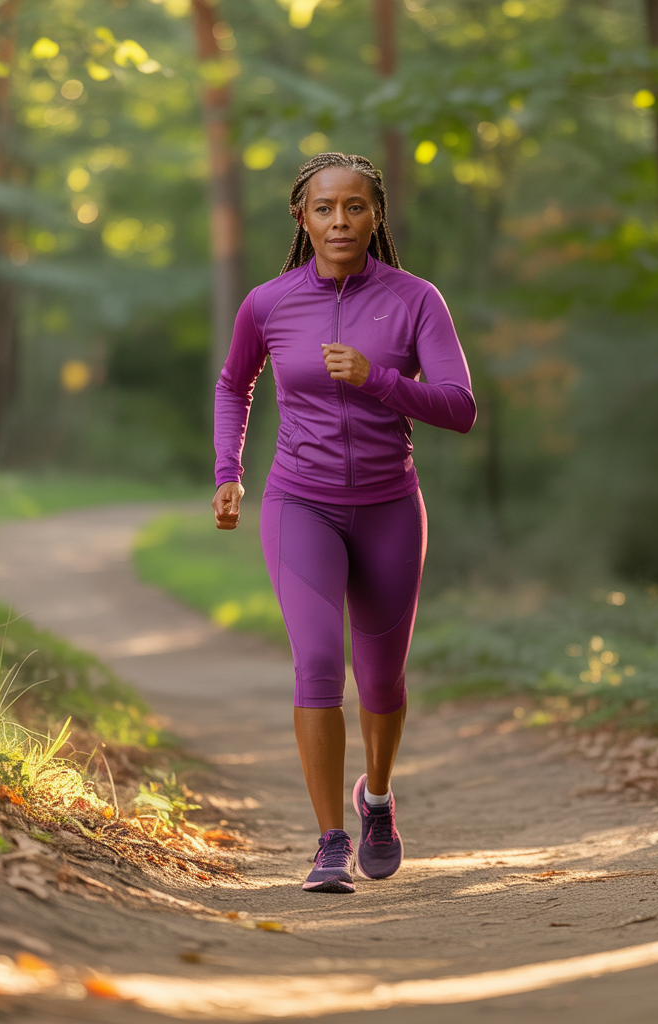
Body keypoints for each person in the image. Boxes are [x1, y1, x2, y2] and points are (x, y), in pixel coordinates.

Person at [212, 152, 476, 894]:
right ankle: (330, 839)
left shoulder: (417, 299)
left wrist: (379, 379)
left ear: (376, 216)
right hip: (301, 502)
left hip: (391, 507)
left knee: (382, 681)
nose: (339, 221)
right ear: (302, 218)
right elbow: (235, 384)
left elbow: (459, 406)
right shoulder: (268, 302)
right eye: (324, 208)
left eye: (354, 207)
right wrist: (228, 473)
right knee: (318, 664)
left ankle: (377, 799)